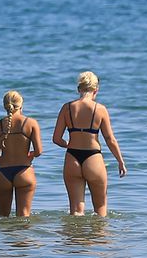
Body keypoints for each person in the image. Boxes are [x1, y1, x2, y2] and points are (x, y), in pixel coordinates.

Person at [52, 71, 127, 217]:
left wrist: (69, 143)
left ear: (79, 89)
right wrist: (120, 161)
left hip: (72, 158)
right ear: (96, 90)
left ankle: (76, 239)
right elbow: (110, 139)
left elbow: (56, 139)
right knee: (100, 209)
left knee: (76, 211)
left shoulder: (66, 108)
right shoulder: (100, 109)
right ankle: (98, 239)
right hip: (93, 158)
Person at [0, 90, 43, 217]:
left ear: (5, 106)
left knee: (2, 216)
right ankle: (22, 237)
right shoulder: (30, 123)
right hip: (24, 172)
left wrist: (5, 162)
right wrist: (30, 155)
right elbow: (39, 151)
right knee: (24, 217)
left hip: (3, 173)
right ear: (21, 105)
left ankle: (2, 237)